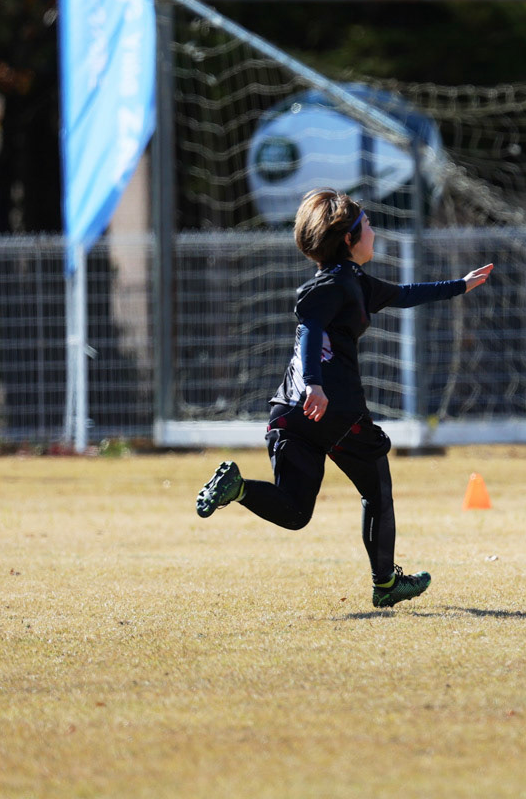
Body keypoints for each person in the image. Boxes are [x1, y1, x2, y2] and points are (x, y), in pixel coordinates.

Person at [194, 189, 493, 609]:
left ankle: (238, 488)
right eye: (367, 224)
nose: (373, 231)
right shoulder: (333, 285)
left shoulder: (354, 283)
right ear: (350, 239)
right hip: (332, 408)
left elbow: (405, 294)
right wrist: (314, 384)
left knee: (295, 512)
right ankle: (386, 583)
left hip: (289, 413)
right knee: (377, 490)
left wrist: (460, 286)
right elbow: (309, 332)